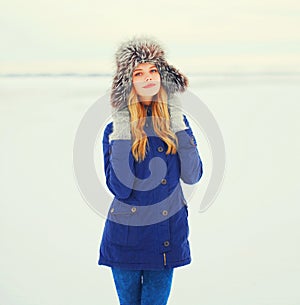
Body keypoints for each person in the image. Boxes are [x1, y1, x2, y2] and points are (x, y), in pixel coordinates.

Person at [98, 36, 204, 305]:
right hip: (125, 240)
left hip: (166, 237)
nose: (148, 78)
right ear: (128, 82)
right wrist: (123, 126)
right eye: (138, 72)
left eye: (153, 70)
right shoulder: (114, 131)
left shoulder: (175, 125)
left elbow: (193, 174)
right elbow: (121, 187)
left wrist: (177, 121)